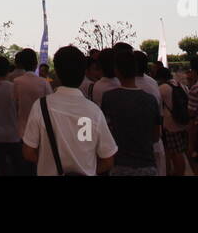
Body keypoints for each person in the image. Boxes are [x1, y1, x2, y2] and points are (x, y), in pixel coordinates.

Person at [22, 46, 116, 176]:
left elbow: (28, 152)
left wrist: (47, 163)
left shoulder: (41, 106)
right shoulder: (94, 111)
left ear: (57, 73)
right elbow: (108, 160)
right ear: (84, 72)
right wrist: (88, 169)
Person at [101, 47, 161, 176]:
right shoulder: (150, 100)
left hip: (120, 165)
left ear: (116, 71)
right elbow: (156, 135)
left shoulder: (109, 98)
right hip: (147, 165)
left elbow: (105, 131)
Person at [157, 65, 189, 177]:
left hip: (170, 125)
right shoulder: (182, 85)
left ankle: (178, 172)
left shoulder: (162, 88)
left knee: (176, 152)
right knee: (180, 151)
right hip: (183, 121)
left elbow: (157, 105)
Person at [12, 48, 51, 139]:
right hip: (41, 130)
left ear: (21, 64)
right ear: (36, 64)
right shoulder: (44, 83)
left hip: (22, 131)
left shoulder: (17, 82)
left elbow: (14, 106)